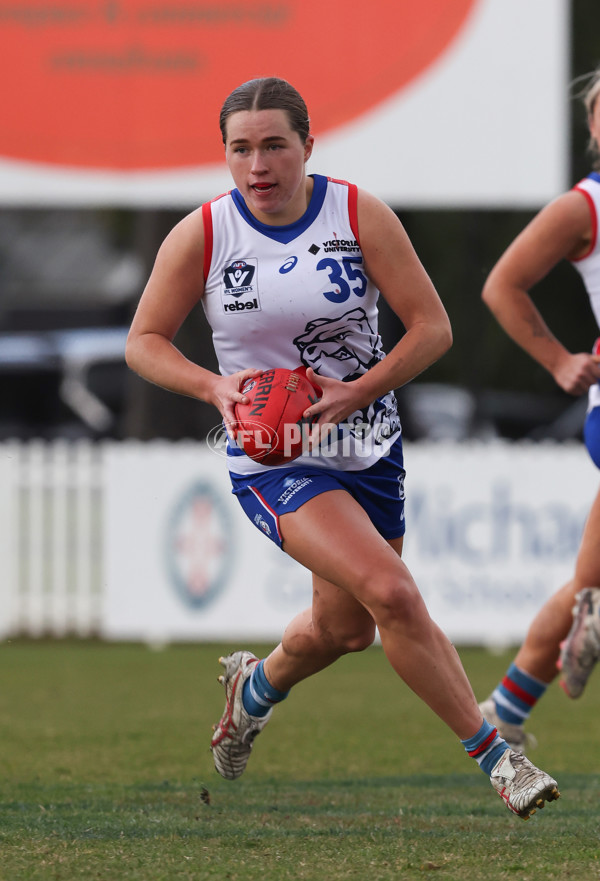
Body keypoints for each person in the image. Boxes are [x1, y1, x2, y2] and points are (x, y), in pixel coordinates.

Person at [126, 76, 559, 818]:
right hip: (275, 456)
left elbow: (433, 328)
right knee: (391, 590)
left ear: (307, 146)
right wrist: (215, 390)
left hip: (370, 443)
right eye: (240, 148)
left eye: (273, 145)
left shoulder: (356, 212)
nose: (257, 165)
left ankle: (253, 689)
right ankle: (499, 757)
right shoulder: (203, 233)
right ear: (224, 155)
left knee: (347, 626)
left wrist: (359, 391)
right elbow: (143, 342)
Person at [479, 67, 600, 753]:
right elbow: (502, 285)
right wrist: (558, 360)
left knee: (589, 580)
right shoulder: (583, 208)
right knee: (592, 586)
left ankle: (507, 706)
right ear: (593, 127)